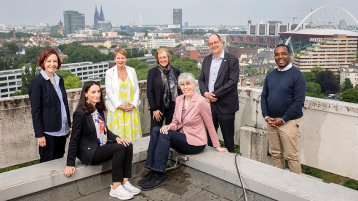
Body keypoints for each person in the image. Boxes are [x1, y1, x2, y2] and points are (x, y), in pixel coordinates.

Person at [139, 73, 228, 190]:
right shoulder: (179, 99)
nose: (185, 87)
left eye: (188, 84)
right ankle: (151, 169)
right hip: (182, 137)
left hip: (195, 143)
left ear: (194, 85)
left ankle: (159, 175)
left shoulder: (202, 102)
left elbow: (210, 125)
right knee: (157, 129)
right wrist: (168, 127)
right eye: (182, 85)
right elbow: (176, 122)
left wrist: (217, 146)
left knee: (165, 135)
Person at [64, 81, 140, 200]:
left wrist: (117, 138)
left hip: (101, 145)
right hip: (90, 151)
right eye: (93, 92)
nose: (97, 95)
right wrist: (70, 163)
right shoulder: (80, 113)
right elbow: (74, 139)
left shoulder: (97, 109)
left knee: (127, 144)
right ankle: (115, 187)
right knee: (119, 149)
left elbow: (105, 130)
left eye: (98, 91)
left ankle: (125, 182)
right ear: (85, 94)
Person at [261, 44, 306, 174]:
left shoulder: (297, 76)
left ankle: (295, 188)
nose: (280, 57)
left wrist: (283, 119)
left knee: (292, 157)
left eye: (283, 54)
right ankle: (280, 184)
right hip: (272, 123)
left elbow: (299, 102)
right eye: (277, 54)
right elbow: (264, 97)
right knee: (276, 154)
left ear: (289, 55)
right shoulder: (270, 76)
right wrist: (266, 116)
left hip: (290, 123)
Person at [198, 34, 240, 153]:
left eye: (215, 42)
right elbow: (201, 79)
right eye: (211, 44)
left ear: (221, 42)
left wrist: (214, 95)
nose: (213, 45)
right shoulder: (206, 60)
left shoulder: (232, 60)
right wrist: (205, 93)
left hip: (226, 106)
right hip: (208, 106)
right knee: (209, 139)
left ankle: (230, 166)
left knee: (228, 140)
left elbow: (232, 81)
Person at [29, 49, 71, 163]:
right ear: (43, 62)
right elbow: (35, 111)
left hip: (62, 130)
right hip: (48, 133)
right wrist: (39, 135)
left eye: (55, 61)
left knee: (59, 163)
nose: (52, 64)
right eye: (48, 61)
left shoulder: (59, 79)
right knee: (47, 165)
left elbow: (64, 104)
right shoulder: (37, 82)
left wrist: (68, 125)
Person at [105, 48, 141, 141]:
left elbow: (136, 89)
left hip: (131, 110)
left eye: (123, 58)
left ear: (126, 59)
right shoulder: (109, 72)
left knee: (132, 139)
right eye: (118, 58)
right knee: (118, 138)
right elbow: (109, 91)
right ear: (114, 59)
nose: (120, 60)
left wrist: (134, 104)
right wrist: (119, 106)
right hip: (117, 111)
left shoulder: (132, 70)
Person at [147, 48, 182, 131]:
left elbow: (180, 89)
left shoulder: (176, 71)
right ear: (157, 59)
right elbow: (149, 91)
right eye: (160, 58)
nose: (163, 60)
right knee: (155, 130)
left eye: (164, 57)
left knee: (171, 131)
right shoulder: (152, 72)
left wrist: (180, 106)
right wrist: (154, 109)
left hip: (173, 107)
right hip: (158, 108)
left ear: (168, 57)